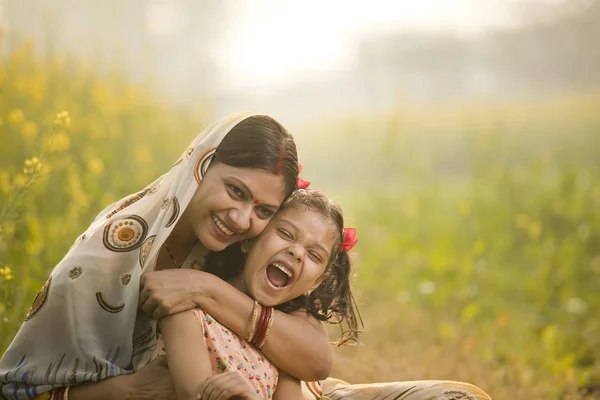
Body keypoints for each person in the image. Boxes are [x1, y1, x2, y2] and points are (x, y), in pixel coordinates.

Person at [0, 113, 335, 399]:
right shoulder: (106, 258)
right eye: (235, 191)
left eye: (263, 210)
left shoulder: (239, 250)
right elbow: (16, 391)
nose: (241, 219)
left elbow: (315, 357)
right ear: (200, 165)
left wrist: (202, 287)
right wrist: (128, 391)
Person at [155, 188, 359, 400]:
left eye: (314, 255)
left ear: (317, 282)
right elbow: (194, 395)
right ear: (250, 240)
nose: (297, 253)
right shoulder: (187, 306)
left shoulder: (283, 350)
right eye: (285, 234)